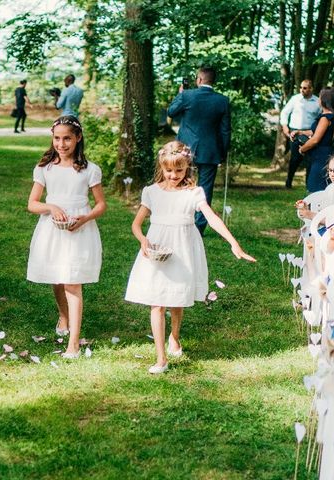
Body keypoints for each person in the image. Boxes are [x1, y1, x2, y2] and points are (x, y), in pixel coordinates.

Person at [125, 141, 255, 374]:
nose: (174, 175)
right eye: (169, 170)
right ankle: (161, 357)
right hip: (157, 246)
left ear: (187, 168)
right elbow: (136, 224)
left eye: (179, 170)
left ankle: (174, 336)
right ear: (161, 168)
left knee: (176, 298)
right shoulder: (151, 192)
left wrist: (233, 243)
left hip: (183, 248)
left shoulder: (194, 192)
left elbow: (212, 217)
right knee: (157, 301)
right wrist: (143, 240)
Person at [27, 116, 107, 359]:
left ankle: (73, 344)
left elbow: (101, 204)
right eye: (57, 138)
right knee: (57, 278)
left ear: (78, 138)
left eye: (67, 139)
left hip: (79, 229)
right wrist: (51, 207)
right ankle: (63, 315)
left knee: (73, 281)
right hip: (52, 229)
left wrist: (84, 218)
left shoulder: (90, 170)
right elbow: (32, 204)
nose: (61, 144)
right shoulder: (44, 168)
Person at [167, 66, 231, 235]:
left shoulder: (187, 96)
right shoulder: (222, 100)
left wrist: (180, 94)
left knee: (180, 183)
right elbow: (225, 130)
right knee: (205, 189)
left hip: (185, 149)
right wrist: (222, 152)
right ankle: (199, 227)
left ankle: (179, 220)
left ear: (200, 80)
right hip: (210, 151)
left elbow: (171, 111)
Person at [297, 86, 334, 193]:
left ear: (324, 100)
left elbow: (315, 139)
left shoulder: (325, 117)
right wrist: (301, 132)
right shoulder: (332, 116)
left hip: (320, 157)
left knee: (315, 189)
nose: (318, 99)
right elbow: (316, 132)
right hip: (326, 154)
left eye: (320, 97)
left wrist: (302, 149)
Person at [280, 80, 322, 189]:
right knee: (295, 158)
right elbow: (284, 112)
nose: (302, 90)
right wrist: (285, 126)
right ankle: (289, 181)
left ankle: (308, 184)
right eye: (301, 87)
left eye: (305, 88)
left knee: (310, 159)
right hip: (295, 133)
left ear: (311, 88)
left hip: (310, 133)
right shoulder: (295, 99)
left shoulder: (318, 101)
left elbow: (320, 119)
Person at [296, 151, 334, 221]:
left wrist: (310, 215)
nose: (332, 174)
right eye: (330, 170)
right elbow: (324, 213)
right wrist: (306, 209)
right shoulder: (331, 188)